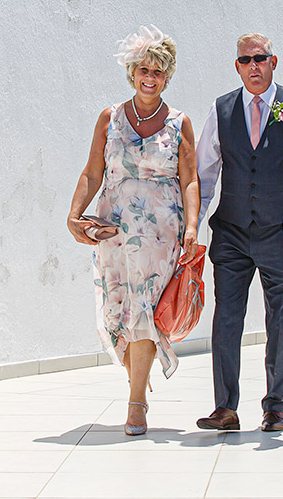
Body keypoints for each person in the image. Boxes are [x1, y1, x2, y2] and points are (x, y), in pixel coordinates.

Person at [66, 25, 200, 436]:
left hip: (161, 232)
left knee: (144, 312)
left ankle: (136, 403)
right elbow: (93, 172)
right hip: (114, 231)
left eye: (158, 72)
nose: (150, 77)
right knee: (117, 312)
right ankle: (138, 380)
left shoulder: (180, 123)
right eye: (144, 69)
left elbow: (190, 179)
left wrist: (192, 227)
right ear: (132, 72)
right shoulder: (110, 118)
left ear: (167, 76)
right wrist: (74, 216)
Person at [194, 33, 283, 433]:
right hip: (232, 232)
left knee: (281, 319)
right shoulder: (222, 109)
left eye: (260, 58)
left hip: (282, 231)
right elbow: (204, 173)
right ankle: (225, 407)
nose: (253, 66)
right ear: (237, 66)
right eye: (245, 60)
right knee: (227, 318)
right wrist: (191, 227)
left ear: (273, 61)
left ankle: (275, 405)